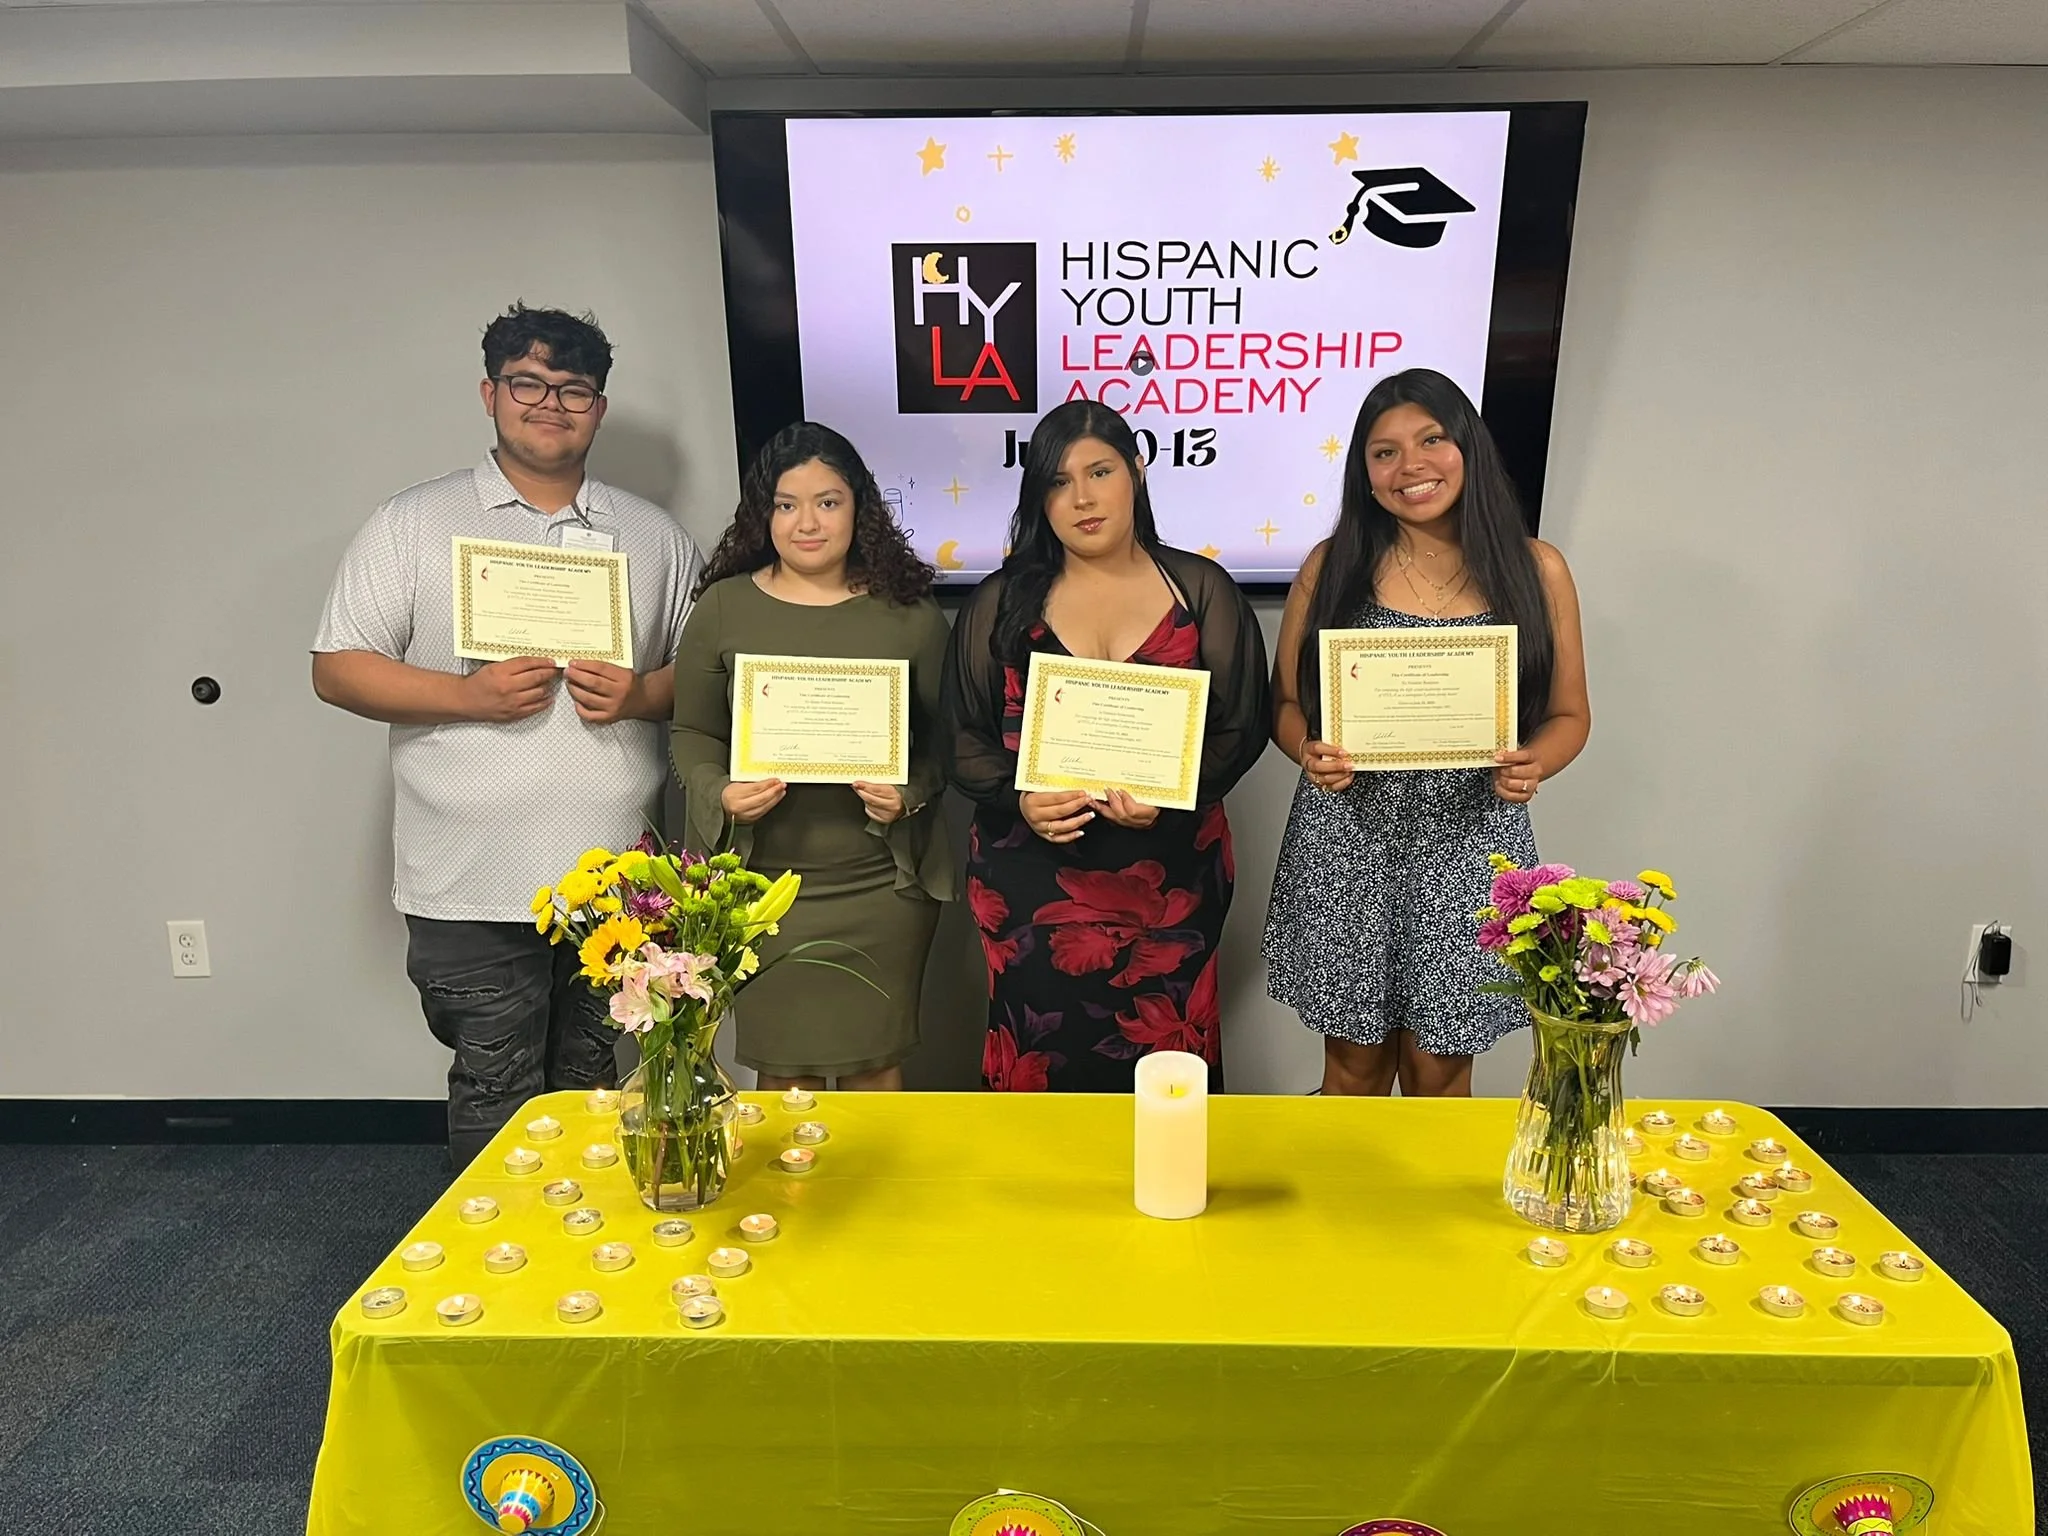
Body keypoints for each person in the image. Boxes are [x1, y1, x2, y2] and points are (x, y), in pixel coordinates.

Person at [312, 304, 703, 1165]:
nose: (550, 403)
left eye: (574, 390)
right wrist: (468, 696)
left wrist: (640, 694)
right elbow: (338, 667)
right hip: (470, 877)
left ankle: (592, 1262)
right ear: (491, 393)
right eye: (528, 383)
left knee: (595, 1081)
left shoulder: (653, 535)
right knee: (498, 1087)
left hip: (615, 877)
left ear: (599, 408)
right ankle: (499, 1274)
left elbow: (703, 677)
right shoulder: (414, 521)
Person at [1263, 368, 1591, 1097]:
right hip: (1348, 838)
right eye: (1384, 453)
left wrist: (1533, 763)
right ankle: (1349, 1210)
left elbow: (1571, 715)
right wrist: (1305, 749)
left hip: (1470, 839)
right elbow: (1283, 702)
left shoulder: (1538, 570)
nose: (1410, 466)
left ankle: (1425, 1214)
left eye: (1431, 440)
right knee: (1351, 1068)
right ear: (1365, 474)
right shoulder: (1333, 565)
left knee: (1443, 1071)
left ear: (1466, 447)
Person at [943, 399, 1269, 1092]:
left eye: (1100, 471)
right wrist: (1020, 799)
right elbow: (962, 733)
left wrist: (1172, 794)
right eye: (1059, 481)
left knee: (1167, 1068)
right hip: (1030, 878)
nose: (1083, 497)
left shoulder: (1201, 590)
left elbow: (1242, 725)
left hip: (1174, 875)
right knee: (1038, 1060)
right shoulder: (999, 602)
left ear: (1138, 473)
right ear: (1039, 497)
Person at [670, 422, 954, 1091]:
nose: (807, 523)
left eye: (828, 502)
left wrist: (908, 792)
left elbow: (945, 743)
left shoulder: (909, 614)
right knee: (780, 1075)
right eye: (786, 504)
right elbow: (693, 734)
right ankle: (788, 1199)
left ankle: (876, 1200)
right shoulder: (722, 608)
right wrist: (720, 794)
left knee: (876, 1066)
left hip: (880, 885)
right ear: (762, 513)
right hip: (763, 883)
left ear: (860, 509)